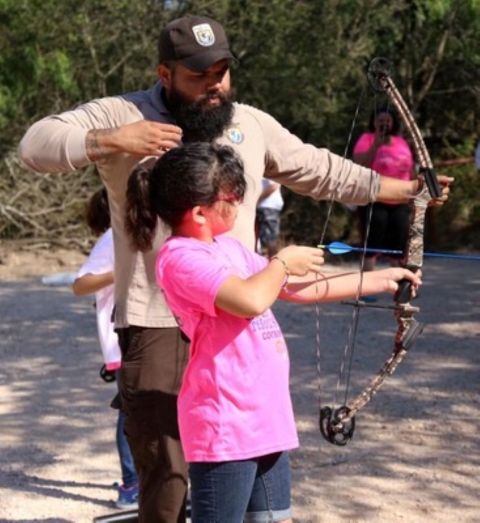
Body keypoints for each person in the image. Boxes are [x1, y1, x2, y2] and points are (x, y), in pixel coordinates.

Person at [17, 14, 451, 522]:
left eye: (222, 71)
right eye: (198, 75)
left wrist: (406, 190)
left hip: (231, 319)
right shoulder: (124, 113)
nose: (214, 85)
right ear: (165, 74)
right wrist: (112, 139)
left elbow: (320, 169)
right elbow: (34, 146)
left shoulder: (249, 122)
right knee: (168, 477)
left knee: (247, 473)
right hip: (156, 321)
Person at [123, 142, 422, 522]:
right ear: (200, 212)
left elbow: (298, 288)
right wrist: (282, 261)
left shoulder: (230, 249)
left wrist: (382, 279)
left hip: (266, 421)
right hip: (226, 428)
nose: (239, 204)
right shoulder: (180, 258)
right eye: (233, 197)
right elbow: (251, 298)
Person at [72, 188, 139, 510]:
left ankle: (145, 479)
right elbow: (80, 283)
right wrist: (122, 270)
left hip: (142, 342)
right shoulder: (114, 238)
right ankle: (131, 486)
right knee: (130, 416)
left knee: (147, 414)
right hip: (123, 345)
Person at [353, 105, 416, 277]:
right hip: (375, 198)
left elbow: (410, 170)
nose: (384, 124)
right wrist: (375, 146)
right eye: (380, 120)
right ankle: (365, 284)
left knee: (400, 243)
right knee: (372, 241)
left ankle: (399, 285)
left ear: (393, 123)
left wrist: (414, 194)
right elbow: (358, 165)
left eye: (388, 121)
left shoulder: (401, 142)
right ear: (374, 122)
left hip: (401, 200)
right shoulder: (367, 139)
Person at [256, 178, 284, 257]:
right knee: (263, 239)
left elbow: (274, 186)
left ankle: (274, 265)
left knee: (270, 239)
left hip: (268, 206)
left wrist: (257, 199)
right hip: (264, 206)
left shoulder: (269, 171)